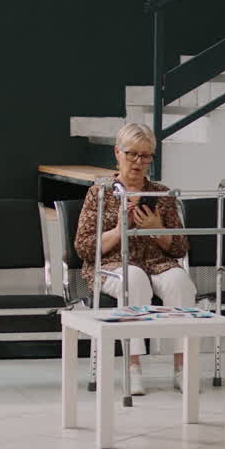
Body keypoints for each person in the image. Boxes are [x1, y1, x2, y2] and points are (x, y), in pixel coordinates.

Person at [74, 122, 195, 396]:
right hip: (111, 266)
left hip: (157, 263)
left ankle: (182, 367)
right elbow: (83, 247)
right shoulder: (99, 194)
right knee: (135, 278)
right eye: (132, 154)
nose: (139, 162)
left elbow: (180, 248)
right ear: (117, 153)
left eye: (146, 155)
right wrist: (119, 231)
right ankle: (134, 367)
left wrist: (158, 230)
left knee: (180, 281)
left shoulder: (161, 195)